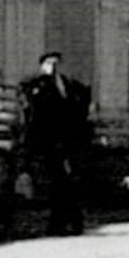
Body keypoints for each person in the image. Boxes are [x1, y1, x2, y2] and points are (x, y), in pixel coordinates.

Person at [21, 51, 92, 236]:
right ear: (42, 65)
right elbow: (31, 107)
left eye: (56, 63)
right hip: (49, 140)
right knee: (58, 181)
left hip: (68, 140)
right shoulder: (37, 84)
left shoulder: (69, 85)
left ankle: (66, 222)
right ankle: (67, 221)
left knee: (65, 181)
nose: (53, 66)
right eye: (48, 63)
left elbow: (80, 107)